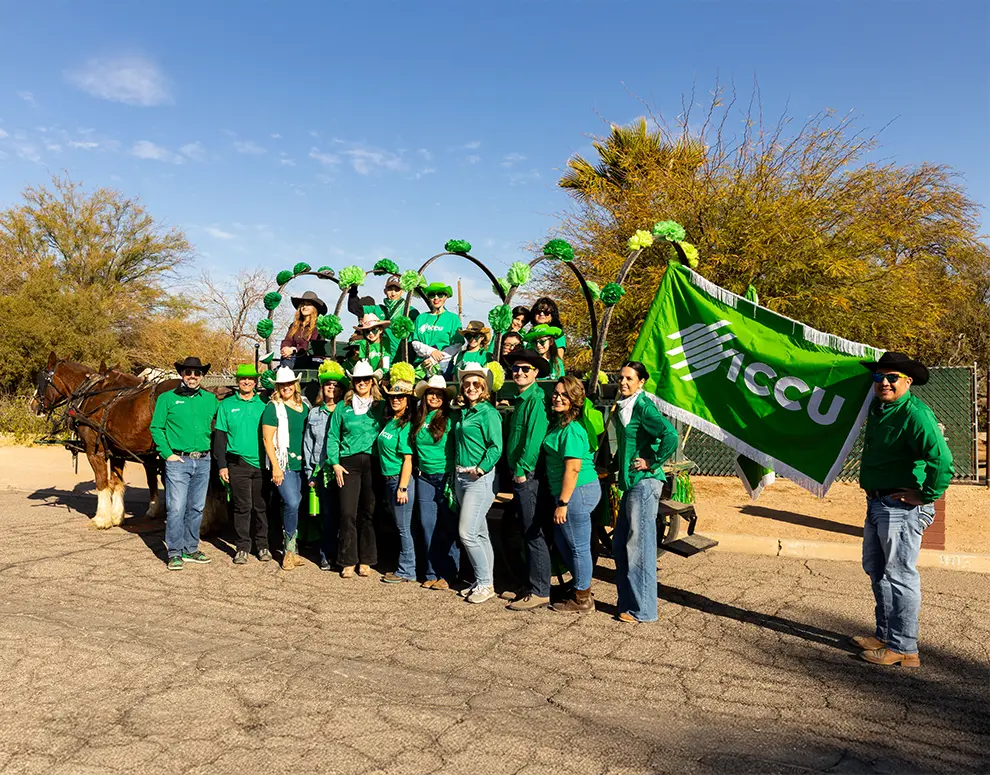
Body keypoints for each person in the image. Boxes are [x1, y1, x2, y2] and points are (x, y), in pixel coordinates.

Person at [855, 352, 953, 668]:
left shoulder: (915, 415)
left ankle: (904, 648)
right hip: (877, 502)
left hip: (901, 508)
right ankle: (885, 635)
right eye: (878, 377)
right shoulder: (879, 408)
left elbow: (942, 461)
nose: (884, 382)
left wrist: (925, 495)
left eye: (892, 377)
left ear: (907, 381)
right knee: (876, 569)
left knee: (899, 574)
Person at [612, 361, 678, 623]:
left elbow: (670, 435)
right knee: (620, 544)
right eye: (621, 377)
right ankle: (628, 603)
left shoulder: (643, 406)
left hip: (645, 482)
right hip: (631, 483)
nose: (623, 382)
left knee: (639, 546)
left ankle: (644, 610)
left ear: (641, 382)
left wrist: (652, 462)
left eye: (629, 378)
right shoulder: (624, 405)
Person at [150, 356, 220, 571]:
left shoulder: (210, 400)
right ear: (182, 374)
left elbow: (224, 422)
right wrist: (167, 454)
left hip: (203, 460)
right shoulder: (167, 399)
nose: (192, 376)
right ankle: (174, 552)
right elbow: (156, 428)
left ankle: (190, 548)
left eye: (197, 373)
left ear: (202, 376)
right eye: (188, 372)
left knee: (197, 507)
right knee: (176, 507)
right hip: (178, 461)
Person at [544, 376, 602, 613]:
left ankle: (582, 599)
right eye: (556, 393)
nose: (558, 398)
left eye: (564, 395)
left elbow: (573, 469)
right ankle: (580, 584)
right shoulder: (561, 424)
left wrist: (563, 503)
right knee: (564, 542)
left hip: (576, 492)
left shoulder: (572, 430)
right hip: (572, 491)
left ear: (575, 399)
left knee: (578, 546)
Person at [501, 349, 552, 611]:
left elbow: (534, 440)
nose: (519, 373)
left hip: (527, 475)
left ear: (536, 373)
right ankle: (530, 584)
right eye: (515, 368)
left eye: (525, 369)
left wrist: (521, 469)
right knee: (524, 529)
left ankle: (541, 590)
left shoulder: (536, 400)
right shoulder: (522, 399)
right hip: (519, 473)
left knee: (533, 532)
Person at [326, 360, 384, 578]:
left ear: (372, 382)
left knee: (368, 511)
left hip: (372, 462)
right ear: (353, 382)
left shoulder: (380, 405)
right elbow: (333, 436)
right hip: (348, 463)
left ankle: (366, 559)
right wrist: (335, 463)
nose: (362, 382)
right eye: (358, 379)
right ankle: (348, 560)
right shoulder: (343, 407)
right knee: (347, 512)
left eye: (366, 379)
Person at [452, 363, 503, 604]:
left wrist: (481, 468)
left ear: (483, 388)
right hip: (461, 476)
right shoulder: (466, 412)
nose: (471, 388)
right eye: (467, 384)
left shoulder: (488, 413)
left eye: (476, 384)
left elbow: (496, 446)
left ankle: (485, 583)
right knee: (480, 532)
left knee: (467, 533)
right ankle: (484, 581)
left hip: (478, 479)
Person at [214, 363, 270, 565]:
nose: (247, 382)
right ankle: (242, 547)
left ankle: (263, 545)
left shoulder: (264, 404)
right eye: (243, 379)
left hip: (262, 463)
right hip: (237, 463)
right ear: (238, 381)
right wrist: (222, 465)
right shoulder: (226, 405)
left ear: (255, 382)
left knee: (261, 506)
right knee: (242, 507)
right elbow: (220, 437)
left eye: (250, 379)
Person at [413, 375, 459, 590]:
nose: (434, 397)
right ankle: (431, 571)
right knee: (427, 525)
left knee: (447, 525)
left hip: (445, 476)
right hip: (424, 477)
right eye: (431, 393)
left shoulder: (450, 418)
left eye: (439, 394)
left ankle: (449, 573)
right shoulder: (419, 418)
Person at [261, 367, 310, 571]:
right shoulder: (273, 408)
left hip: (303, 464)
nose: (286, 387)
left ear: (295, 384)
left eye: (289, 383)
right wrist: (275, 466)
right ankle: (289, 551)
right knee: (292, 502)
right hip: (284, 464)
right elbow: (267, 439)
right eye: (282, 385)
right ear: (277, 387)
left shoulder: (304, 406)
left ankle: (294, 548)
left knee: (297, 505)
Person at [303, 360, 348, 571]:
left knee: (346, 514)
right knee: (328, 515)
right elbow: (308, 445)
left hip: (344, 469)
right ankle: (326, 554)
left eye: (336, 385)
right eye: (328, 384)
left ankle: (345, 555)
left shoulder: (347, 411)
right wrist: (310, 473)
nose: (331, 388)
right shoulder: (314, 413)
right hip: (322, 469)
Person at [377, 365, 417, 584]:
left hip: (399, 481)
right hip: (388, 479)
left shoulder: (405, 425)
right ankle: (406, 566)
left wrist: (403, 487)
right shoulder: (391, 421)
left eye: (400, 397)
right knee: (400, 525)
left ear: (407, 401)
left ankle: (407, 570)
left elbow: (408, 459)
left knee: (403, 528)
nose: (395, 400)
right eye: (393, 397)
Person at [348, 274, 419, 362]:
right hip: (385, 359)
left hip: (406, 359)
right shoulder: (378, 309)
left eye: (397, 290)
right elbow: (354, 307)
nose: (393, 293)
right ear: (385, 291)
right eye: (390, 289)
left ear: (402, 292)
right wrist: (354, 288)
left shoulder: (410, 311)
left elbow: (418, 337)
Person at [411, 282, 462, 375]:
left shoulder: (453, 318)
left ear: (446, 297)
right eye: (432, 295)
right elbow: (415, 341)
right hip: (421, 366)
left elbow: (457, 344)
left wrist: (434, 359)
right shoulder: (421, 318)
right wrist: (431, 351)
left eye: (440, 294)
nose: (436, 298)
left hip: (443, 367)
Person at [280, 290, 327, 369]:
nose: (304, 307)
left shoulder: (318, 326)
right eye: (303, 304)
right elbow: (288, 340)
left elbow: (312, 346)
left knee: (287, 362)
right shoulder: (294, 325)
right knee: (285, 359)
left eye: (308, 304)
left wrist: (293, 349)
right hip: (294, 359)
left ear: (314, 308)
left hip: (311, 360)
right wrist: (285, 349)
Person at [353, 313, 392, 377]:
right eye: (367, 331)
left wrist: (381, 375)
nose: (371, 333)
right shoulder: (363, 343)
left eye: (374, 330)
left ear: (380, 330)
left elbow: (386, 363)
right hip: (368, 375)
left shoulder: (386, 341)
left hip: (383, 374)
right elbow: (364, 363)